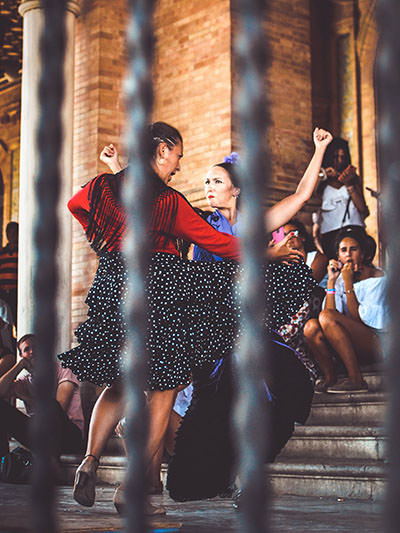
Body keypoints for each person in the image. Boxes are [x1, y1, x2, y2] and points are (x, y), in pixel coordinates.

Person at [59, 122, 332, 513]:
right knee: (162, 390)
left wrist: (102, 236)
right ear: (163, 149)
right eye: (179, 157)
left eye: (215, 179)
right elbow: (218, 245)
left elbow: (88, 205)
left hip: (118, 285)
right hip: (169, 294)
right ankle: (138, 488)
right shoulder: (175, 205)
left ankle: (92, 460)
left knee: (124, 381)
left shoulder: (106, 188)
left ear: (236, 189)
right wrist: (268, 256)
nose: (184, 170)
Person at [304, 228, 387, 393]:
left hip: (377, 343)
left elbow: (359, 319)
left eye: (353, 249)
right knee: (311, 326)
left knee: (327, 317)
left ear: (363, 254)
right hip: (347, 343)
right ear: (338, 256)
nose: (348, 254)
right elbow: (326, 318)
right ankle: (330, 378)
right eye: (343, 250)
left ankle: (356, 379)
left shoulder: (378, 278)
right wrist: (331, 283)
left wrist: (348, 284)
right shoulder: (341, 278)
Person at [0, 334, 84, 464]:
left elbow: (59, 407)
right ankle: (4, 463)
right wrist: (18, 366)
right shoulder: (25, 381)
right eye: (27, 349)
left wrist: (26, 397)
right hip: (41, 437)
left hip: (69, 435)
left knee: (51, 406)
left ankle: (51, 464)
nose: (32, 351)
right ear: (22, 356)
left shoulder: (64, 369)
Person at [312, 138, 369, 260]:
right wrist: (323, 175)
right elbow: (309, 200)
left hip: (353, 228)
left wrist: (349, 185)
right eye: (335, 156)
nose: (339, 161)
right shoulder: (320, 179)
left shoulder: (353, 178)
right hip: (330, 232)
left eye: (342, 157)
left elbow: (363, 209)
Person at [0, 222, 18, 327]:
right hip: (2, 293)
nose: (12, 235)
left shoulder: (21, 251)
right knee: (4, 323)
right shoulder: (2, 252)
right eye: (9, 232)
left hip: (15, 292)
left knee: (16, 319)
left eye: (14, 232)